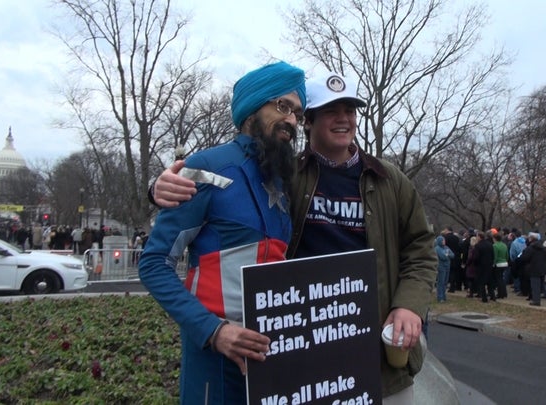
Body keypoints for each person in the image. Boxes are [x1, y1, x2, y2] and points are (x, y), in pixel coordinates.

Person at [152, 71, 437, 404]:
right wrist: (159, 188)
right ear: (310, 123)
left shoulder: (390, 180)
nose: (344, 118)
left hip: (372, 351)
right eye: (331, 110)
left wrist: (408, 305)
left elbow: (421, 248)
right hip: (298, 353)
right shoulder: (288, 175)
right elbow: (221, 187)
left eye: (350, 110)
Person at [139, 61, 306, 404]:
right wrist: (214, 331)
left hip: (270, 355)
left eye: (298, 113)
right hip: (212, 363)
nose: (291, 119)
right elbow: (154, 263)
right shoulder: (206, 167)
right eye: (282, 106)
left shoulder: (284, 180)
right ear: (250, 110)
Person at [517, 232, 546, 306]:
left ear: (531, 239)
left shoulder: (531, 248)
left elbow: (525, 258)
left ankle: (536, 301)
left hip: (533, 268)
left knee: (535, 285)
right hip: (542, 268)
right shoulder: (542, 248)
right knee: (542, 284)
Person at [442, 226, 462, 292]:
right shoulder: (456, 238)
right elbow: (459, 247)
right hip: (456, 256)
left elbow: (443, 247)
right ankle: (452, 286)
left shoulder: (445, 238)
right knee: (453, 272)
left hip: (447, 256)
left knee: (447, 272)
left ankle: (445, 285)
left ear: (447, 230)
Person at [435, 235, 454, 302]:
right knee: (441, 282)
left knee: (445, 282)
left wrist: (447, 254)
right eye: (443, 240)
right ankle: (440, 297)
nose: (444, 241)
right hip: (441, 266)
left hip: (447, 266)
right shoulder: (437, 248)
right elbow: (443, 257)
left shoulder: (446, 247)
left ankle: (443, 295)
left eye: (444, 240)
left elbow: (452, 255)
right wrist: (447, 255)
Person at [492, 231, 509, 299]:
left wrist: (493, 263)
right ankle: (504, 293)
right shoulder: (504, 245)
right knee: (502, 279)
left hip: (498, 264)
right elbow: (507, 255)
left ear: (495, 238)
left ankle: (500, 294)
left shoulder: (495, 246)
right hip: (504, 263)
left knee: (498, 280)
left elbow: (495, 256)